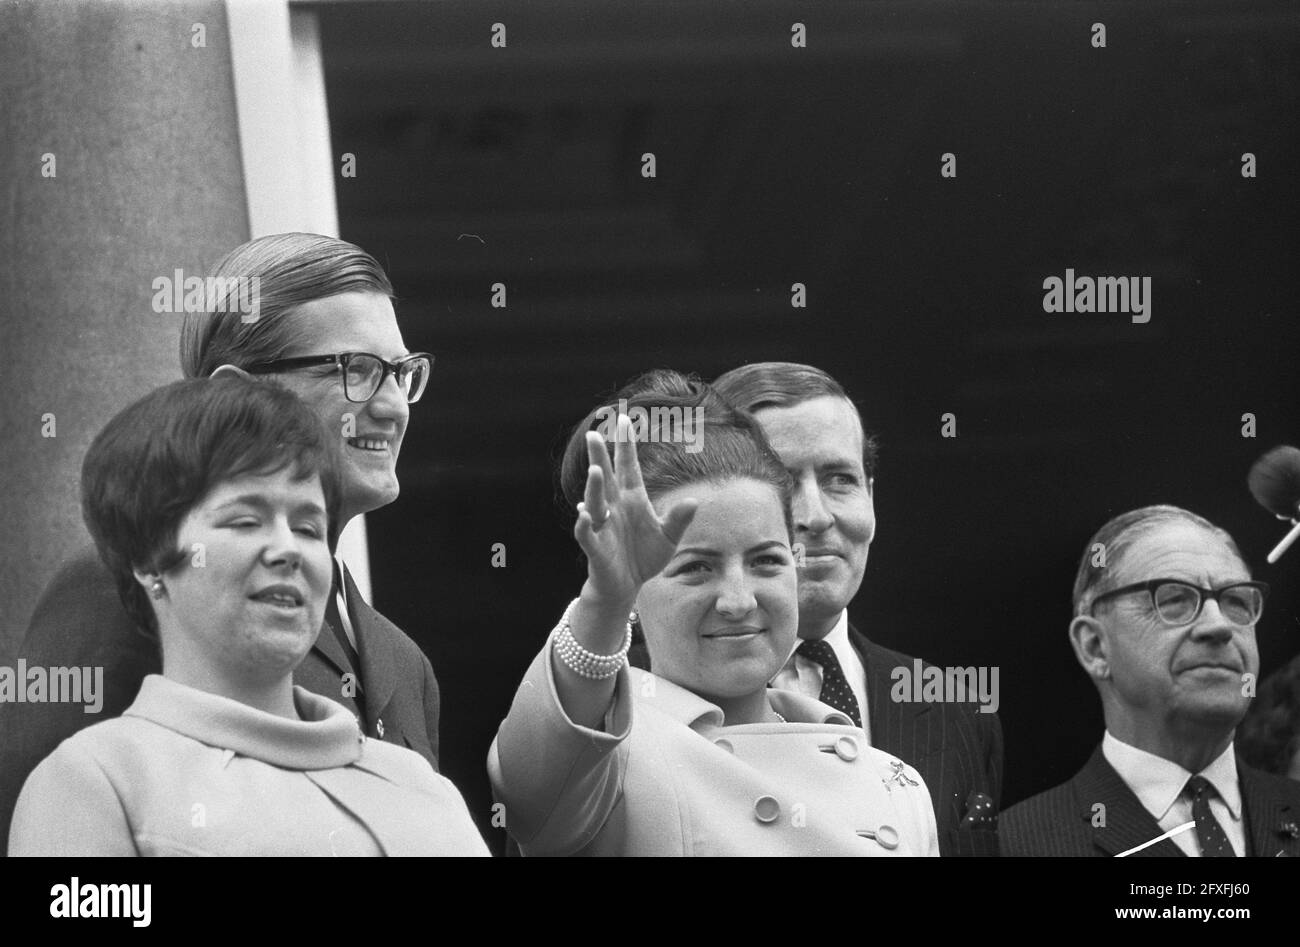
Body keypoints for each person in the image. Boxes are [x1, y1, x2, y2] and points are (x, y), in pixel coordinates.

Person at [1, 233, 442, 853]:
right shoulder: (133, 580)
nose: (394, 406)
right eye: (359, 371)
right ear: (236, 393)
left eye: (403, 374)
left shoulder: (406, 664)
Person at [8, 377, 487, 856]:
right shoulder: (93, 783)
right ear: (151, 561)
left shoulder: (425, 789)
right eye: (244, 521)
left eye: (308, 527)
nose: (287, 550)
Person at [491, 371, 939, 856]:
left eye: (766, 560)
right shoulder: (604, 764)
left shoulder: (898, 787)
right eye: (696, 568)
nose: (738, 600)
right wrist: (605, 602)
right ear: (635, 594)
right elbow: (530, 791)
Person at [707, 362, 1003, 856]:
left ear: (871, 495)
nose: (816, 516)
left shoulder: (961, 710)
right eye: (780, 483)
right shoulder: (635, 705)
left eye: (839, 479)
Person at [1001, 505, 1300, 857]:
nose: (1219, 626)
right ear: (1095, 647)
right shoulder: (1012, 846)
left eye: (1236, 600)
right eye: (1174, 599)